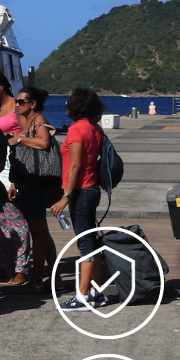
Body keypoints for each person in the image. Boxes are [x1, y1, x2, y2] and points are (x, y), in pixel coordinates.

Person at [51, 87, 106, 311]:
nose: (66, 102)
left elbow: (75, 165)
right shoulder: (95, 128)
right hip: (92, 189)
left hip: (80, 191)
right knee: (92, 241)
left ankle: (82, 297)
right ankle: (96, 292)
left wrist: (65, 196)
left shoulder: (76, 130)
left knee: (85, 244)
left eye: (70, 99)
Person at [6, 86, 60, 291]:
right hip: (29, 183)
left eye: (21, 102)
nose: (17, 104)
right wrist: (15, 183)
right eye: (16, 101)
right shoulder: (28, 121)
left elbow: (44, 143)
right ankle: (56, 278)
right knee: (42, 233)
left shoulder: (38, 120)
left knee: (37, 233)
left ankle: (37, 278)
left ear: (33, 104)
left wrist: (19, 138)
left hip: (37, 184)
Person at [0, 70, 30, 284]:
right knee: (2, 219)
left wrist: (11, 139)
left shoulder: (16, 106)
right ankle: (4, 265)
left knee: (18, 220)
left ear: (1, 86)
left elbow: (29, 131)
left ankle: (21, 268)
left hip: (14, 166)